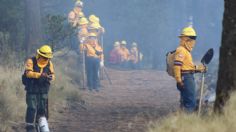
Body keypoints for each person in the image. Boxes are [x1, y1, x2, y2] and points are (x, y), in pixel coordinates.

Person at [174, 26, 207, 113]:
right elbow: (177, 66)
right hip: (186, 78)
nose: (194, 41)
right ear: (186, 39)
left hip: (187, 76)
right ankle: (187, 122)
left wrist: (200, 68)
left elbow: (188, 67)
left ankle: (182, 121)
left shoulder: (186, 51)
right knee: (190, 102)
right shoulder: (181, 50)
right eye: (192, 38)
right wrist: (179, 80)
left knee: (186, 102)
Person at [22, 45, 55, 132]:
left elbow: (53, 74)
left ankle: (40, 125)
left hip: (43, 89)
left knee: (42, 108)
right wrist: (40, 75)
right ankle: (29, 127)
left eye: (47, 57)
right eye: (44, 57)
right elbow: (28, 73)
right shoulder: (31, 61)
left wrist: (50, 77)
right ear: (40, 55)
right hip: (32, 88)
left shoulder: (49, 63)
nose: (46, 59)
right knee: (32, 108)